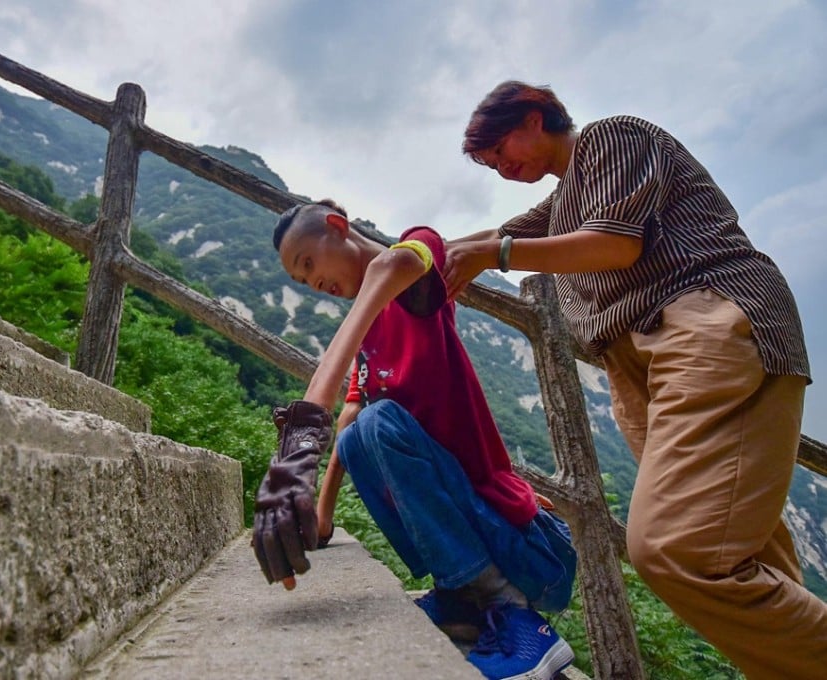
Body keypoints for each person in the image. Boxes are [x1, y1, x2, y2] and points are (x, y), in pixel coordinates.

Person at [446, 80, 827, 679]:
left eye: (500, 150)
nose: (501, 168)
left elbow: (613, 246)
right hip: (642, 364)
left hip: (705, 318)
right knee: (741, 556)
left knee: (671, 548)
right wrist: (394, 256)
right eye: (490, 166)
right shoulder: (561, 201)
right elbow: (482, 242)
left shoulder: (611, 137)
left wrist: (494, 256)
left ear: (534, 115)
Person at [252, 198, 578, 680]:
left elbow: (396, 263)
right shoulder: (371, 342)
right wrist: (318, 517)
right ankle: (460, 597)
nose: (314, 282)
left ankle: (510, 612)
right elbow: (349, 432)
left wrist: (294, 451)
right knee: (362, 431)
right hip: (484, 532)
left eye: (308, 263)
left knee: (378, 421)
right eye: (302, 281)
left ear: (339, 227)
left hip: (529, 553)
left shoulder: (413, 256)